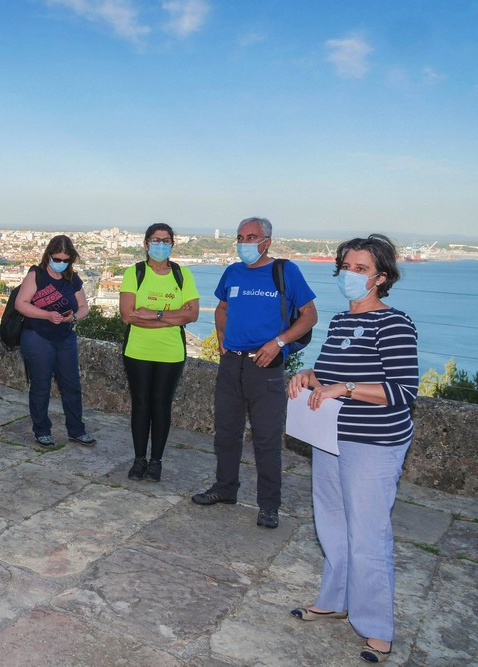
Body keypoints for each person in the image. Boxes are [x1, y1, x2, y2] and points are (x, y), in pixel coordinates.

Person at [288, 234, 417, 664]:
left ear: (381, 277)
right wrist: (310, 375)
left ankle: (377, 627)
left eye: (361, 269)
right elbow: (329, 375)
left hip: (374, 444)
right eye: (346, 266)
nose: (350, 274)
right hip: (331, 439)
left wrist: (347, 388)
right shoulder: (343, 322)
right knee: (332, 524)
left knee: (368, 534)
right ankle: (335, 600)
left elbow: (402, 391)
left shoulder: (394, 323)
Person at [191, 216, 317, 529]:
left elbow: (310, 316)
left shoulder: (285, 272)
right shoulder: (232, 272)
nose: (245, 243)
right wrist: (221, 340)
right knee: (226, 432)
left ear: (267, 241)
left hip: (267, 366)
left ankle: (269, 506)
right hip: (232, 364)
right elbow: (221, 308)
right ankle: (225, 488)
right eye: (241, 237)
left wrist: (279, 342)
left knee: (266, 438)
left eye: (252, 237)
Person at [119, 223, 200, 481]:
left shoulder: (183, 275)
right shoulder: (135, 272)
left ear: (172, 245)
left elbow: (193, 314)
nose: (161, 245)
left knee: (162, 406)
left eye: (166, 241)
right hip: (138, 350)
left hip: (171, 352)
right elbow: (127, 315)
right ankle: (139, 458)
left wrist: (155, 314)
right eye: (156, 240)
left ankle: (156, 461)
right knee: (141, 404)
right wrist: (173, 318)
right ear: (145, 244)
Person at [14, 235, 95, 447]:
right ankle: (42, 430)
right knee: (41, 385)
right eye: (57, 259)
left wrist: (74, 317)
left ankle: (76, 429)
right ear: (48, 255)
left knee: (72, 385)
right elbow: (21, 304)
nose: (60, 263)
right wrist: (47, 315)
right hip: (37, 336)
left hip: (65, 337)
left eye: (65, 260)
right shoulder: (37, 275)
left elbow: (84, 306)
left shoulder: (72, 279)